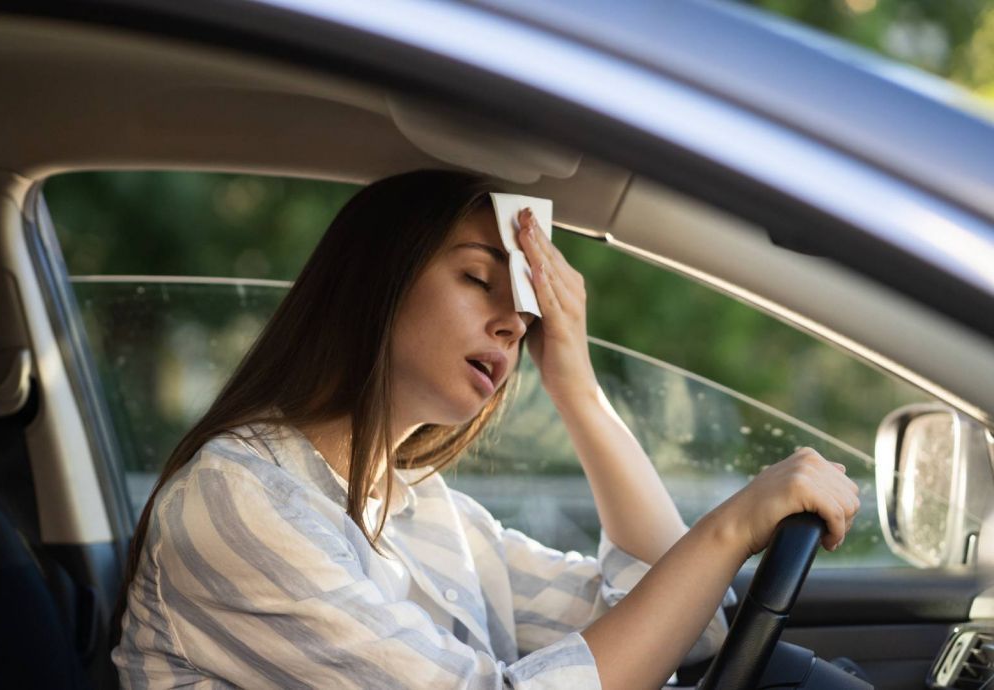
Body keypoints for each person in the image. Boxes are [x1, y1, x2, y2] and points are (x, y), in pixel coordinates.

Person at [111, 169, 860, 689]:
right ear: (377, 280)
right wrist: (730, 529)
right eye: (477, 278)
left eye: (527, 312)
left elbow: (682, 627)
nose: (511, 323)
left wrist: (578, 386)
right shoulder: (236, 501)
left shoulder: (421, 508)